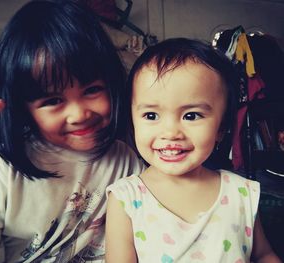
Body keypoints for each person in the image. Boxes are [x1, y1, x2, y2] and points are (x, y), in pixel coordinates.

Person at [0, 1, 145, 262]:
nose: (79, 114)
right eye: (53, 101)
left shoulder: (125, 160)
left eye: (92, 90)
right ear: (24, 108)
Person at [105, 38, 281, 262]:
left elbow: (263, 254)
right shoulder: (125, 199)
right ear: (132, 121)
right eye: (151, 116)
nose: (170, 132)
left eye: (191, 115)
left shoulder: (240, 192)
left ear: (222, 127)